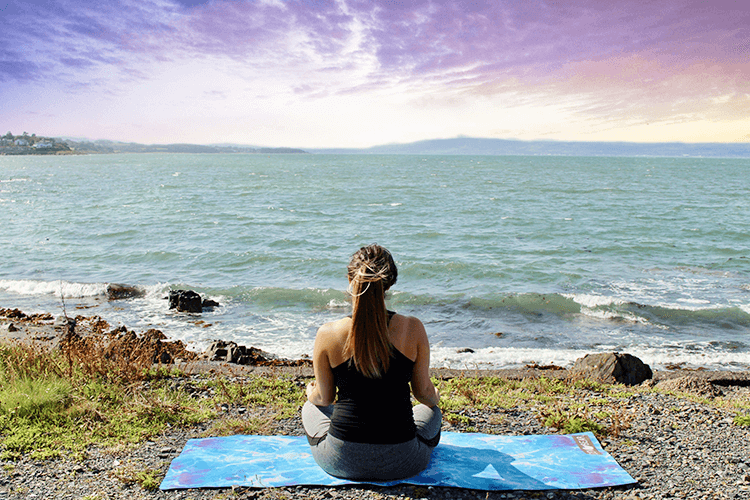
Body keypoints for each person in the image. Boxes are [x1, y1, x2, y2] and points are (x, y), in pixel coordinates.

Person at [302, 244, 442, 481]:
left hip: (342, 460)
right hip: (404, 460)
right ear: (390, 283)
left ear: (349, 279)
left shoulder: (328, 333)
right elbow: (424, 394)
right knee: (431, 412)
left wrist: (310, 393)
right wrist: (434, 396)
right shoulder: (412, 328)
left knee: (310, 408)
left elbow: (324, 398)